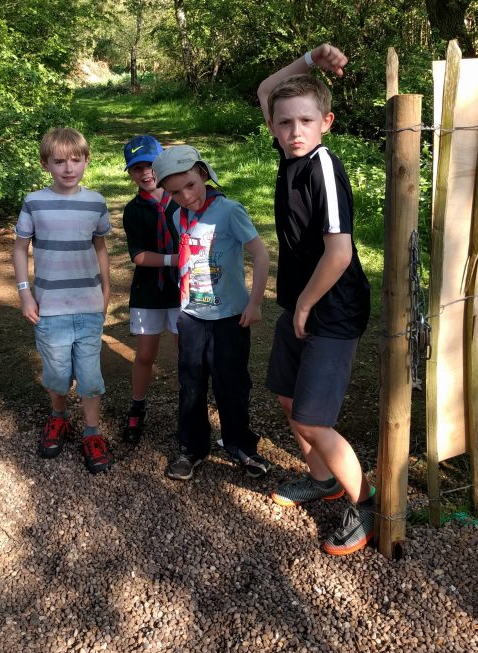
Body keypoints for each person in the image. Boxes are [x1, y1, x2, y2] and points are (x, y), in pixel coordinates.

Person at [257, 43, 375, 556]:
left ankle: (366, 503)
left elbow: (340, 253)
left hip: (332, 309)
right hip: (300, 303)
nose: (294, 131)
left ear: (326, 122)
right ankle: (323, 480)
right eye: (285, 123)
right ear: (274, 126)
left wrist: (304, 305)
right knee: (288, 397)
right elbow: (267, 89)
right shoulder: (289, 154)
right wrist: (310, 59)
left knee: (310, 418)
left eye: (306, 121)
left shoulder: (322, 165)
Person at [152, 144, 270, 481]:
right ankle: (191, 448)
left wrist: (255, 303)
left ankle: (241, 446)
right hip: (191, 316)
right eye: (175, 192)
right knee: (190, 384)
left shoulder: (229, 211)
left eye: (190, 185)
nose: (186, 196)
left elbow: (261, 255)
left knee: (231, 384)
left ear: (203, 174)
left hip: (230, 317)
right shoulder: (177, 215)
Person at [12, 126, 113, 475]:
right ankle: (59, 417)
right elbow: (20, 248)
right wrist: (24, 293)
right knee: (56, 374)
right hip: (49, 309)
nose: (68, 168)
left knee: (90, 376)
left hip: (88, 305)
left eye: (75, 160)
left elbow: (100, 246)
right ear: (45, 164)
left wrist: (107, 288)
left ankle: (92, 432)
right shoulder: (34, 202)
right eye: (59, 162)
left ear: (86, 161)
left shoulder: (96, 202)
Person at [120, 134, 181, 445]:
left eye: (150, 165)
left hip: (183, 289)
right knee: (145, 354)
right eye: (137, 168)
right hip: (148, 290)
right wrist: (174, 259)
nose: (145, 173)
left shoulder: (182, 199)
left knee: (187, 353)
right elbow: (139, 256)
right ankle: (137, 406)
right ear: (130, 173)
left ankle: (189, 406)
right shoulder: (133, 211)